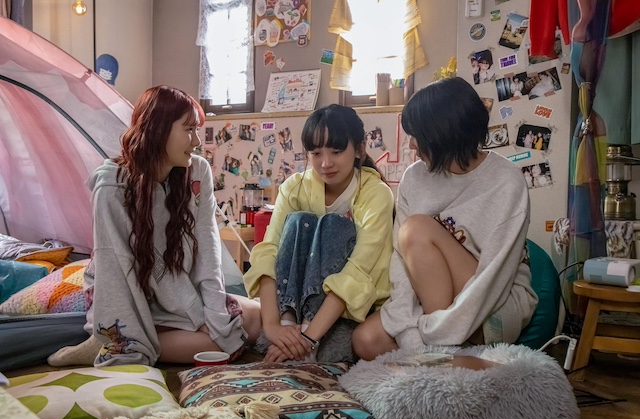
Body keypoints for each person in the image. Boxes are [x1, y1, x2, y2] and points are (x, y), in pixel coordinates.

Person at [49, 86, 261, 367]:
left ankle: (129, 341)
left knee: (255, 319)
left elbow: (208, 249)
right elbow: (116, 269)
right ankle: (109, 342)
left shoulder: (197, 172)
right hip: (134, 297)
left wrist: (213, 314)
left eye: (197, 130)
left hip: (183, 290)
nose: (197, 141)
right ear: (158, 130)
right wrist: (200, 319)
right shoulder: (113, 186)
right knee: (223, 344)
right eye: (189, 130)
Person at [352, 77, 537, 360]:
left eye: (417, 136)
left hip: (493, 302)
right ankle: (450, 360)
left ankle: (443, 356)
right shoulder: (414, 177)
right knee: (365, 340)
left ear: (443, 135)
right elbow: (401, 262)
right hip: (429, 300)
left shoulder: (506, 181)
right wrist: (411, 334)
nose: (411, 145)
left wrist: (438, 333)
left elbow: (495, 274)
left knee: (416, 230)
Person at [243, 104, 394, 363]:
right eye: (315, 153)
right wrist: (273, 327)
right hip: (292, 307)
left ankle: (304, 336)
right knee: (298, 221)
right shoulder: (294, 187)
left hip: (345, 311)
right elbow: (268, 251)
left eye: (336, 151)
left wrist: (307, 338)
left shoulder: (376, 193)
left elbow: (359, 270)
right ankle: (289, 321)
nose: (325, 163)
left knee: (334, 225)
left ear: (359, 149)